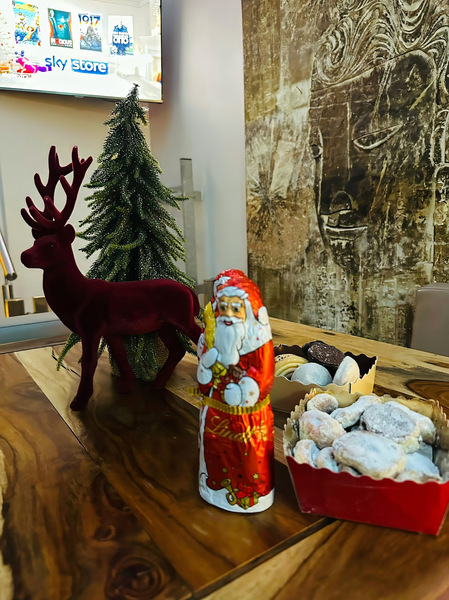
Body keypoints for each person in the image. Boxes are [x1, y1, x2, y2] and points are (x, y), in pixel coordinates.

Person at [197, 269, 275, 513]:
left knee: (249, 458)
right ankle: (215, 489)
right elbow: (204, 374)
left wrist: (246, 391)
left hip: (249, 418)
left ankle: (249, 496)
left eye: (235, 308)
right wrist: (206, 373)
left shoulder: (258, 341)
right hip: (217, 414)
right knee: (215, 452)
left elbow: (263, 375)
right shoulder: (214, 336)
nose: (228, 315)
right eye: (224, 308)